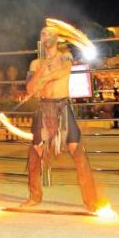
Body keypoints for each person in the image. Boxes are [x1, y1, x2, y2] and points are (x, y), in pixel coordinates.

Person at [22, 27, 102, 213]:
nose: (46, 35)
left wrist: (46, 77)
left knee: (77, 151)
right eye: (42, 33)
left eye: (49, 33)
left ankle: (91, 201)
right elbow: (30, 88)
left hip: (62, 107)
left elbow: (63, 73)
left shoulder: (65, 57)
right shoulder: (36, 63)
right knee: (35, 152)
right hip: (44, 108)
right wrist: (40, 71)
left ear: (57, 38)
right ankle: (34, 196)